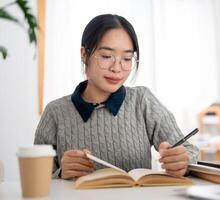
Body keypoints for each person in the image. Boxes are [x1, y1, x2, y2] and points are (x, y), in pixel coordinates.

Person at [34, 14, 199, 179]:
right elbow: (35, 179)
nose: (117, 68)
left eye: (127, 58)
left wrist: (182, 162)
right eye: (106, 56)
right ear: (84, 54)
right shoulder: (55, 113)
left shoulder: (143, 102)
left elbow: (191, 152)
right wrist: (61, 173)